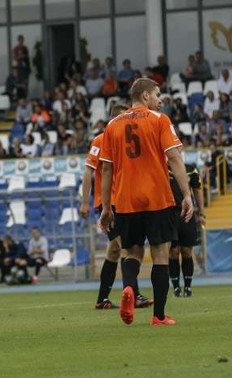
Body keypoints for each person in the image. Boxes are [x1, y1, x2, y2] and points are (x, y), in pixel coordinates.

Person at [99, 78, 194, 326]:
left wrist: (107, 207)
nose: (160, 99)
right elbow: (173, 157)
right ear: (145, 97)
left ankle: (129, 287)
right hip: (157, 197)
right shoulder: (160, 120)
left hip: (126, 199)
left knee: (132, 252)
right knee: (161, 254)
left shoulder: (112, 126)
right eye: (157, 94)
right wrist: (186, 194)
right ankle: (159, 316)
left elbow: (106, 170)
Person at [80, 103, 153, 310]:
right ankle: (132, 293)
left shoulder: (126, 143)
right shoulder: (101, 140)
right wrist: (85, 202)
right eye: (122, 118)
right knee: (122, 247)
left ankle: (103, 298)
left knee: (116, 250)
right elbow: (88, 171)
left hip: (123, 200)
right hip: (108, 202)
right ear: (113, 120)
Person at [169, 163, 205, 298]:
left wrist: (201, 213)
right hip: (169, 214)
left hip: (187, 214)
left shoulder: (190, 169)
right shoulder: (161, 167)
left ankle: (188, 287)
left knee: (187, 251)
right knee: (173, 252)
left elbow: (197, 190)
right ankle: (176, 288)